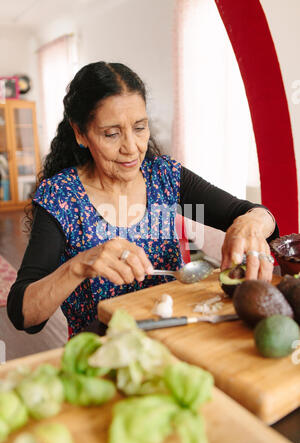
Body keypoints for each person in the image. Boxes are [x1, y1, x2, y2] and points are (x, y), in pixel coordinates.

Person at [7, 61, 279, 337]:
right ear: (80, 134)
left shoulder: (164, 175)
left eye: (139, 128)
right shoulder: (62, 196)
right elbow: (23, 314)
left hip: (174, 338)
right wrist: (79, 266)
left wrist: (251, 223)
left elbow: (255, 214)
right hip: (104, 352)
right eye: (111, 134)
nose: (131, 148)